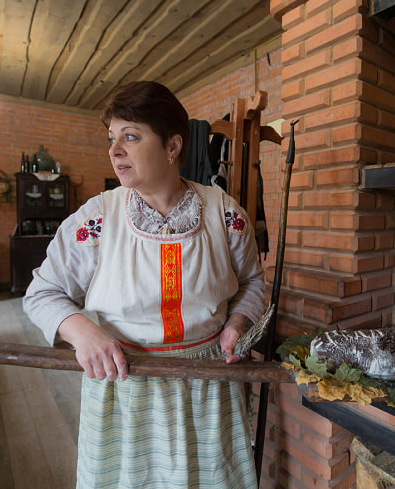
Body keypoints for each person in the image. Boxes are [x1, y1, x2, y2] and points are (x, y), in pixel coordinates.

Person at [23, 81, 265, 488]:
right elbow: (42, 292)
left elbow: (253, 282)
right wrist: (83, 333)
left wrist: (237, 322)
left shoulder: (224, 215)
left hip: (207, 389)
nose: (115, 150)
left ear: (173, 146)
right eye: (112, 138)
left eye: (130, 137)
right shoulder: (97, 220)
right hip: (124, 389)